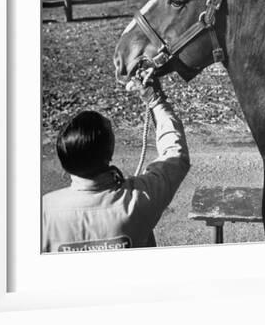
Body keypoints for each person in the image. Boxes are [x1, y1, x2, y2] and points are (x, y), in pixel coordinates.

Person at [42, 75, 189, 253]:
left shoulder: (45, 211)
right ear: (110, 150)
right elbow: (175, 154)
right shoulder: (140, 199)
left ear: (64, 160)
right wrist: (155, 99)